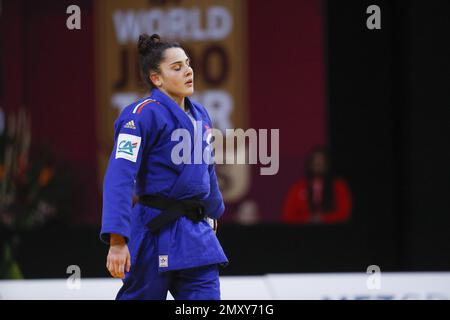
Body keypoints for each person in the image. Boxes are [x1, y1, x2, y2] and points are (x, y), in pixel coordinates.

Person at [100, 34, 228, 300]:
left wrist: (212, 209)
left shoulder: (201, 114)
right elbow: (119, 176)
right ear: (156, 78)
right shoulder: (141, 115)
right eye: (177, 67)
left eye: (188, 64)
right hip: (154, 232)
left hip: (196, 236)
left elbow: (206, 168)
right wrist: (117, 240)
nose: (188, 71)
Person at [282, 146, 352, 224]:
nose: (318, 164)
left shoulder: (339, 186)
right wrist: (308, 219)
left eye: (321, 162)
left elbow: (344, 213)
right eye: (315, 161)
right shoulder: (298, 187)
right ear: (310, 164)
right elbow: (288, 215)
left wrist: (324, 218)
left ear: (327, 164)